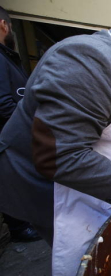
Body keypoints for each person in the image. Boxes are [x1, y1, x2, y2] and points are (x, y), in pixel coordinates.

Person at [0, 0, 111, 275]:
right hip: (52, 188)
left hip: (96, 186)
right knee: (76, 259)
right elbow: (59, 157)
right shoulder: (88, 60)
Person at [0, 6, 41, 242]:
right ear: (4, 25)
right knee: (11, 184)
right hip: (9, 141)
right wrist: (33, 124)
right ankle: (19, 228)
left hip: (18, 139)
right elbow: (4, 103)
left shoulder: (7, 57)